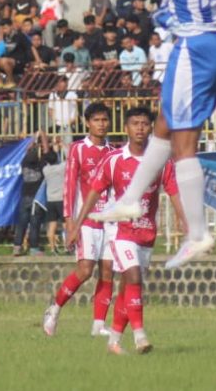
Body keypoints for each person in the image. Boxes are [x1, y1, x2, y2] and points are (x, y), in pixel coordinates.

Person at [65, 0, 216, 268]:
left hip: (194, 45)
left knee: (183, 142)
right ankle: (128, 201)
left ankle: (197, 233)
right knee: (163, 123)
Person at [66, 106, 185, 355]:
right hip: (120, 233)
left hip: (146, 234)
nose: (140, 128)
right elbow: (93, 192)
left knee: (127, 288)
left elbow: (173, 190)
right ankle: (140, 337)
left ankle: (114, 341)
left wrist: (184, 221)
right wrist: (76, 224)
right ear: (126, 128)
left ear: (150, 127)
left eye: (144, 123)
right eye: (135, 123)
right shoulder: (114, 160)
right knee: (132, 276)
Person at [42, 102, 114, 337]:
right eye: (97, 120)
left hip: (110, 221)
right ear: (87, 123)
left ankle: (98, 326)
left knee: (107, 271)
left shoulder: (113, 152)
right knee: (85, 270)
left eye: (105, 120)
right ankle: (54, 308)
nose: (101, 124)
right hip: (86, 220)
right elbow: (69, 185)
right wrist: (69, 221)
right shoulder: (78, 149)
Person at [42, 152, 66, 255]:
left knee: (52, 226)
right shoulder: (62, 168)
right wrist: (61, 146)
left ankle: (52, 248)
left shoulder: (45, 170)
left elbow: (48, 161)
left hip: (50, 200)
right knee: (66, 225)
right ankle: (67, 247)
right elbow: (70, 158)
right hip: (61, 199)